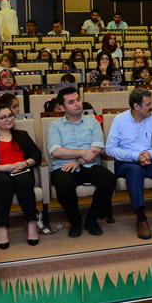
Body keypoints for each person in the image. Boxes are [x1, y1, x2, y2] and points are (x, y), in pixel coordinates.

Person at [106, 88, 152, 240]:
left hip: (150, 160)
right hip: (126, 163)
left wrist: (151, 154)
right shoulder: (120, 120)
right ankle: (141, 219)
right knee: (135, 171)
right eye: (148, 104)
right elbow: (110, 149)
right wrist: (135, 156)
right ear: (136, 106)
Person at [47, 86, 117, 237]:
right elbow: (56, 152)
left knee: (109, 180)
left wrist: (78, 161)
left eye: (78, 100)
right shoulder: (54, 126)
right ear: (62, 107)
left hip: (89, 165)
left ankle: (91, 219)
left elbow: (97, 148)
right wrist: (83, 152)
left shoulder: (93, 123)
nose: (77, 104)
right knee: (63, 184)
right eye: (71, 102)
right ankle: (75, 221)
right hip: (63, 167)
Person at [0, 102, 42, 249]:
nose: (9, 119)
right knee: (4, 183)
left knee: (24, 182)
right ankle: (2, 229)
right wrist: (3, 168)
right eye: (3, 117)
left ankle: (32, 224)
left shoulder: (22, 135)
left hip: (21, 170)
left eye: (10, 116)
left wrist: (25, 163)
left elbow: (37, 154)